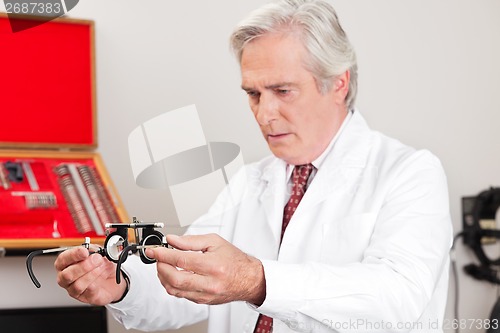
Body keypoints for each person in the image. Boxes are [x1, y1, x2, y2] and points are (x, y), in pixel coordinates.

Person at [54, 0, 453, 332]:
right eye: (253, 94)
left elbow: (398, 299)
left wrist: (257, 281)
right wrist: (121, 286)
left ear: (338, 83)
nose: (264, 114)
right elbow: (186, 285)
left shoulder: (409, 172)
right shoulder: (250, 182)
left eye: (282, 91)